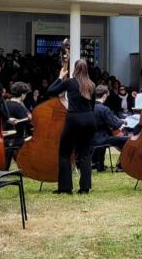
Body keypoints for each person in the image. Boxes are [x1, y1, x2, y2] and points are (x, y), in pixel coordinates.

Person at [48, 59, 98, 194]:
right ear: (86, 69)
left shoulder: (70, 82)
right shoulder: (91, 84)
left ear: (75, 69)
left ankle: (65, 188)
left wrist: (59, 77)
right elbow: (92, 106)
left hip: (74, 119)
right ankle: (85, 188)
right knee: (85, 154)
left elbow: (51, 91)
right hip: (89, 119)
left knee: (64, 153)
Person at [90, 85, 128, 172]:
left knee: (108, 138)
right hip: (102, 139)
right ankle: (121, 165)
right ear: (104, 95)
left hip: (91, 139)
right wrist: (123, 122)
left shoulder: (89, 107)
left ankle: (99, 165)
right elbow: (114, 124)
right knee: (127, 140)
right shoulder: (104, 109)